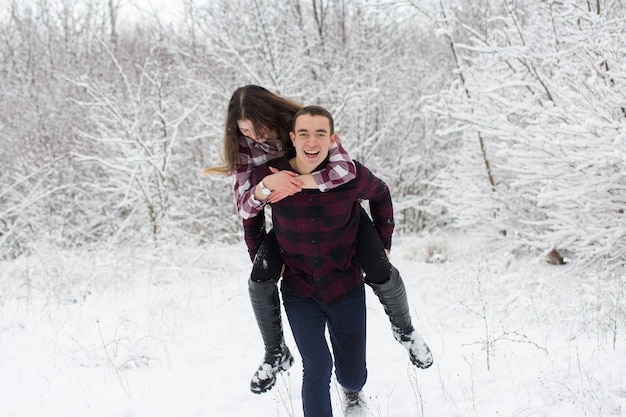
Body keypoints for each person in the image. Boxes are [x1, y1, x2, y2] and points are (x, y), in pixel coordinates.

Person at [205, 86, 432, 396]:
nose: (256, 137)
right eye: (246, 132)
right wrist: (266, 187)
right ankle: (275, 353)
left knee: (380, 267)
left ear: (275, 118)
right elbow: (246, 207)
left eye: (260, 129)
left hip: (339, 212)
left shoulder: (308, 128)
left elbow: (345, 172)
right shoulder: (247, 150)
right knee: (259, 280)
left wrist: (298, 182)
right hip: (290, 223)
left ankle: (405, 330)